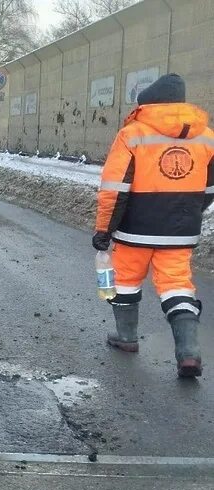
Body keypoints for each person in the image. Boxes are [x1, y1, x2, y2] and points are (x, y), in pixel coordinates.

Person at [94, 73, 214, 378]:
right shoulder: (207, 137)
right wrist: (188, 212)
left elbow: (114, 187)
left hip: (136, 229)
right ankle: (188, 353)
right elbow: (209, 187)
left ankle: (127, 338)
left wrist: (104, 229)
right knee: (177, 286)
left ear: (149, 101)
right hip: (180, 230)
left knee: (124, 281)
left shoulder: (133, 133)